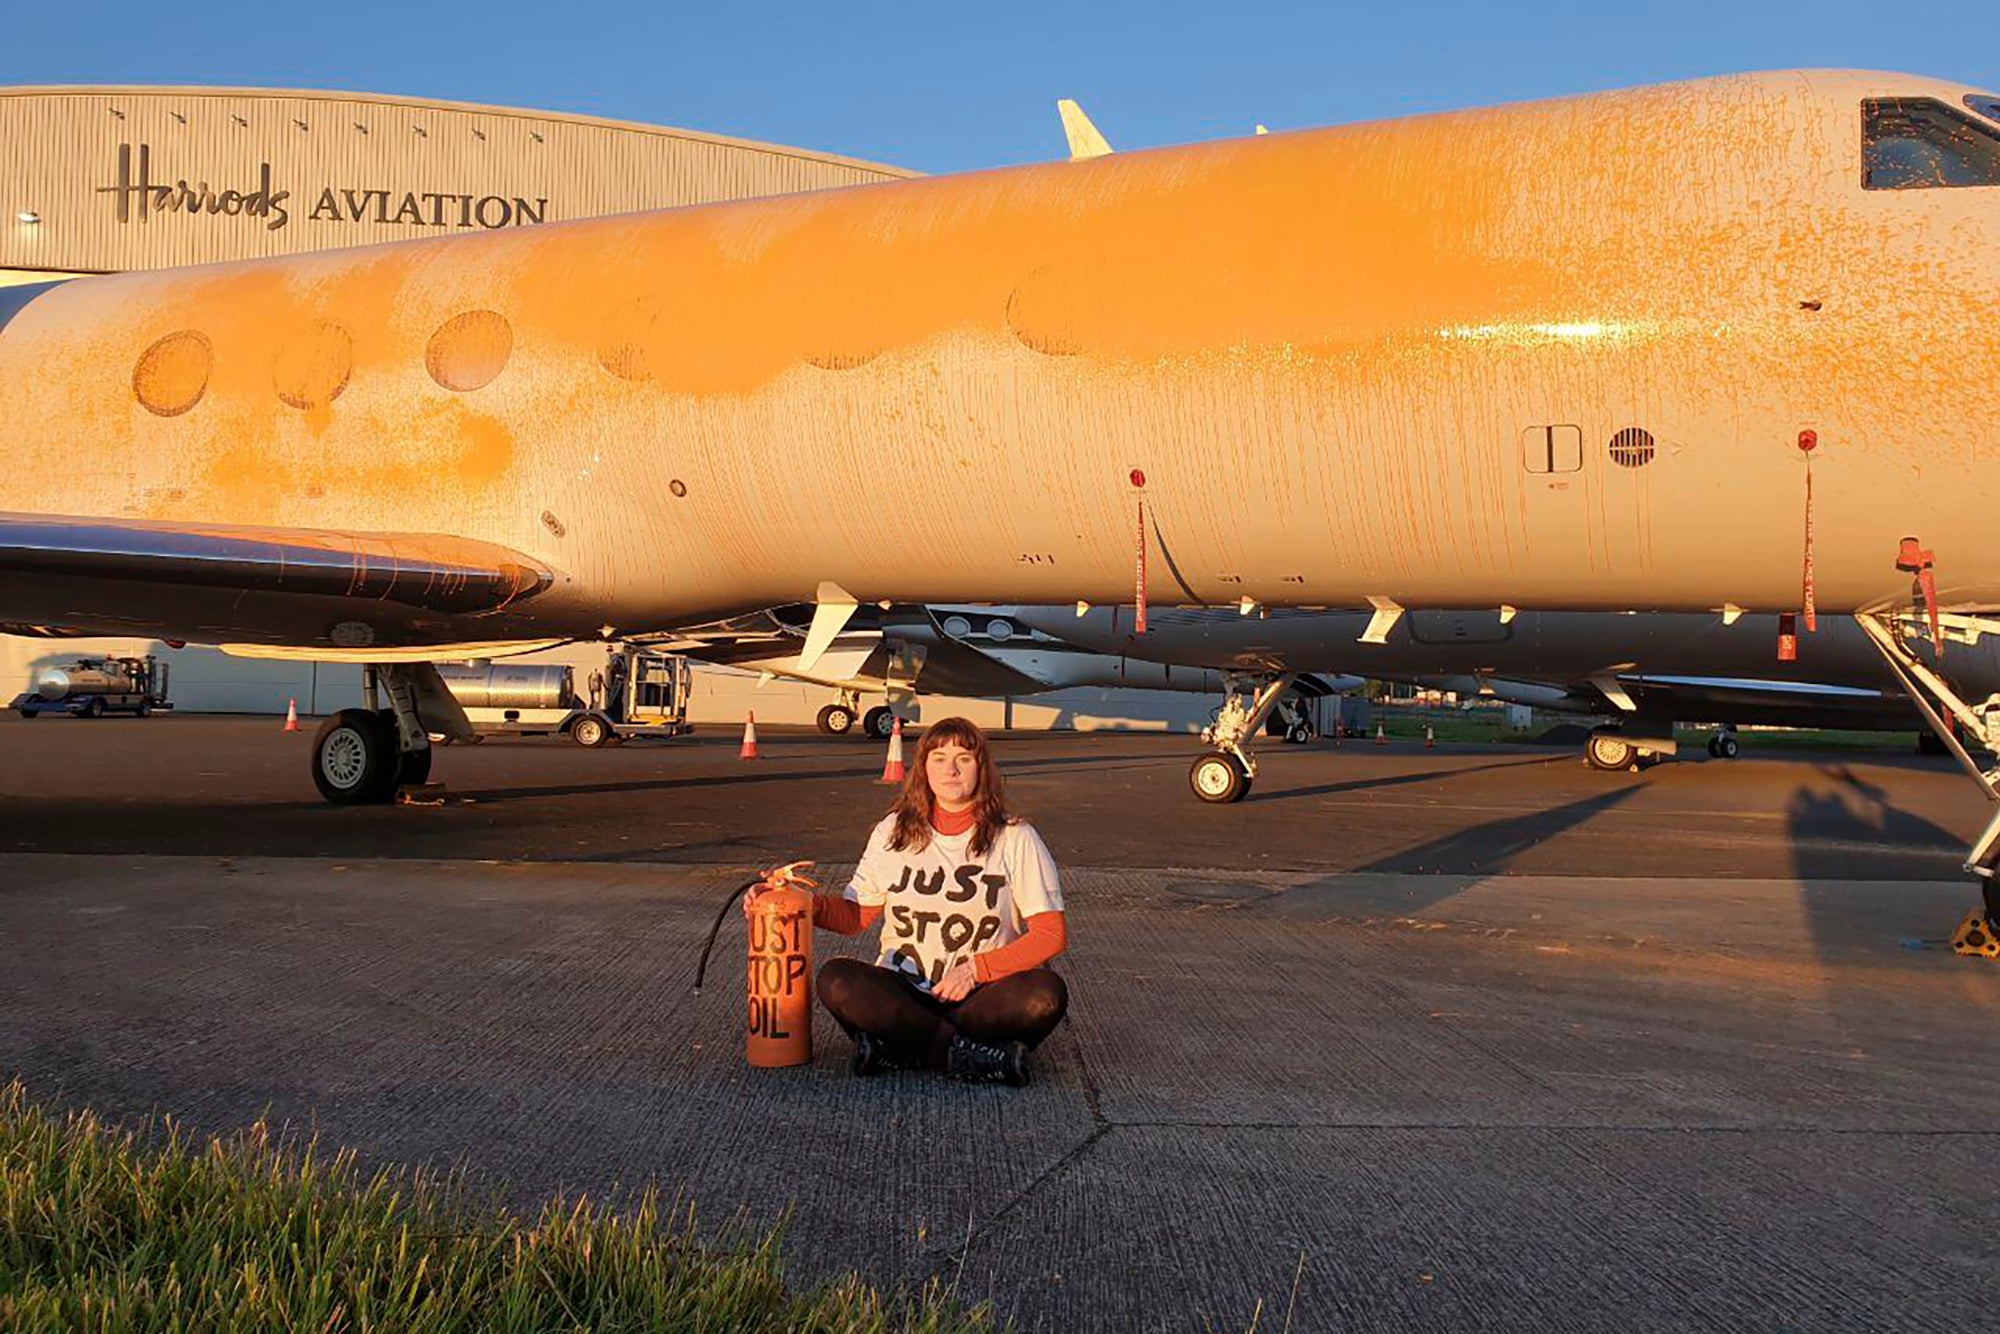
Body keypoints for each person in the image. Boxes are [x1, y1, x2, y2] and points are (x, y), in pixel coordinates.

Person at [787, 716, 1068, 1086]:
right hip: (905, 994)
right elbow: (855, 917)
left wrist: (975, 971)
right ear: (923, 769)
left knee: (1045, 994)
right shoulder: (892, 831)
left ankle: (902, 1049)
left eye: (964, 758)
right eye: (938, 758)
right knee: (837, 980)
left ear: (981, 768)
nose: (950, 769)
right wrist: (795, 900)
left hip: (980, 998)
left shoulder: (1015, 836)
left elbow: (1050, 934)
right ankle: (967, 1056)